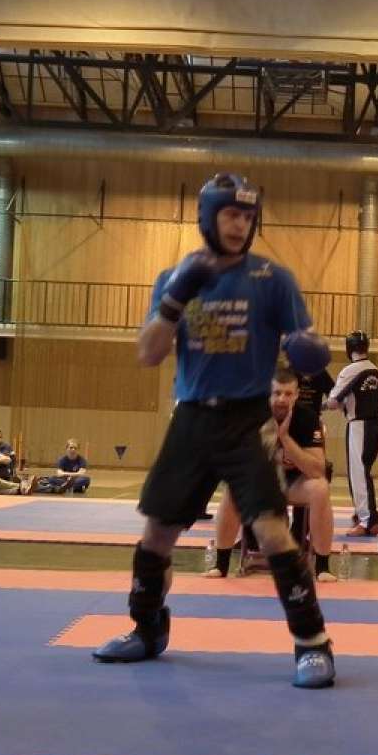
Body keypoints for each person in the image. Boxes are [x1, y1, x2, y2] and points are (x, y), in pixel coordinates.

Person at [91, 173, 335, 689]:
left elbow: (306, 342)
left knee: (271, 529)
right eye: (230, 214)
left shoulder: (273, 279)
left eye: (247, 216)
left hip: (246, 420)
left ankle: (313, 643)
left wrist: (309, 349)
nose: (239, 224)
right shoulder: (175, 276)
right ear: (208, 217)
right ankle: (147, 629)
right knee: (158, 532)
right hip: (192, 417)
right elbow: (148, 354)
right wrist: (176, 297)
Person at [207, 370, 337, 582]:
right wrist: (274, 457)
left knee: (320, 488)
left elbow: (317, 470)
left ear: (296, 395)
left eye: (288, 394)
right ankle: (221, 564)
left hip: (295, 484)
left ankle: (322, 566)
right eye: (277, 393)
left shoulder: (307, 418)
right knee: (233, 487)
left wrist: (285, 438)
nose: (282, 399)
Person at [326, 331, 378, 536]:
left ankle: (368, 520)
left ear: (349, 348)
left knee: (358, 473)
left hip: (359, 426)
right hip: (377, 426)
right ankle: (367, 515)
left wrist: (332, 404)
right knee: (364, 471)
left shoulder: (350, 371)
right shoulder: (376, 371)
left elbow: (332, 402)